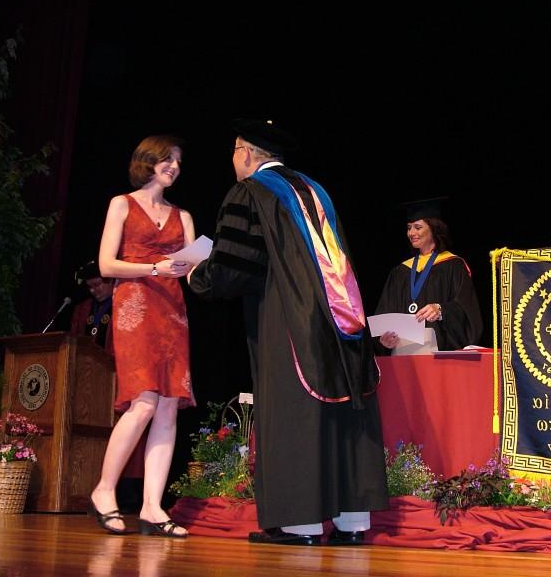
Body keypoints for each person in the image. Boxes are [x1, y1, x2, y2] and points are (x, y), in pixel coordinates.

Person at [188, 118, 388, 546]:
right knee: (342, 412)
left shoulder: (251, 193)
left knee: (297, 411)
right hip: (342, 320)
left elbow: (236, 268)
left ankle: (303, 526)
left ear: (245, 152)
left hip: (289, 319)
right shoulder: (317, 191)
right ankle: (353, 524)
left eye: (233, 151)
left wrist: (196, 275)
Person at [89, 134, 195, 538]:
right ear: (147, 161)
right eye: (167, 159)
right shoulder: (122, 203)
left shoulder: (183, 216)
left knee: (168, 407)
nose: (174, 166)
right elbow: (106, 263)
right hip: (134, 305)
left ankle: (152, 506)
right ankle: (103, 490)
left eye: (179, 162)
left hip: (172, 311)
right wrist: (154, 269)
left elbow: (190, 267)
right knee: (145, 402)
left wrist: (202, 268)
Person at [375, 197, 483, 353]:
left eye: (418, 227)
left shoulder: (453, 265)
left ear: (434, 229)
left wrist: (441, 311)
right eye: (409, 227)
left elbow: (467, 312)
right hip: (402, 354)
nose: (411, 233)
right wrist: (383, 340)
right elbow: (385, 314)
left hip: (438, 354)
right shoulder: (400, 272)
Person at [70, 260, 115, 355]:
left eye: (96, 285)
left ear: (110, 281)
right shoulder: (82, 309)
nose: (92, 290)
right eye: (89, 286)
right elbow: (74, 339)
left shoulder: (121, 306)